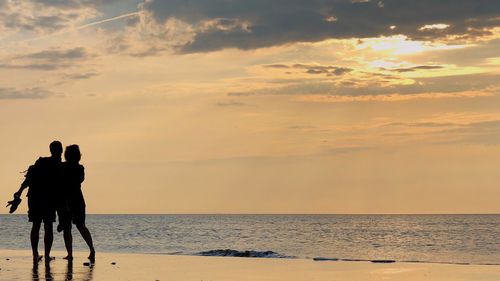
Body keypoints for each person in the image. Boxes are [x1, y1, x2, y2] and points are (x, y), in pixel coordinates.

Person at [14, 141, 63, 262]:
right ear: (60, 151)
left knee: (36, 225)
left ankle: (35, 254)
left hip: (34, 198)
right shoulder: (58, 166)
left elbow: (29, 178)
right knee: (48, 226)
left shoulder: (41, 161)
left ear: (51, 150)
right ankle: (46, 256)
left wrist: (19, 191)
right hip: (48, 199)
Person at [59, 144, 95, 262]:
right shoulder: (80, 168)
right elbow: (79, 180)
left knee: (67, 228)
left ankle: (70, 254)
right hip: (77, 200)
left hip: (67, 200)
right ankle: (91, 250)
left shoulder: (63, 167)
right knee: (80, 226)